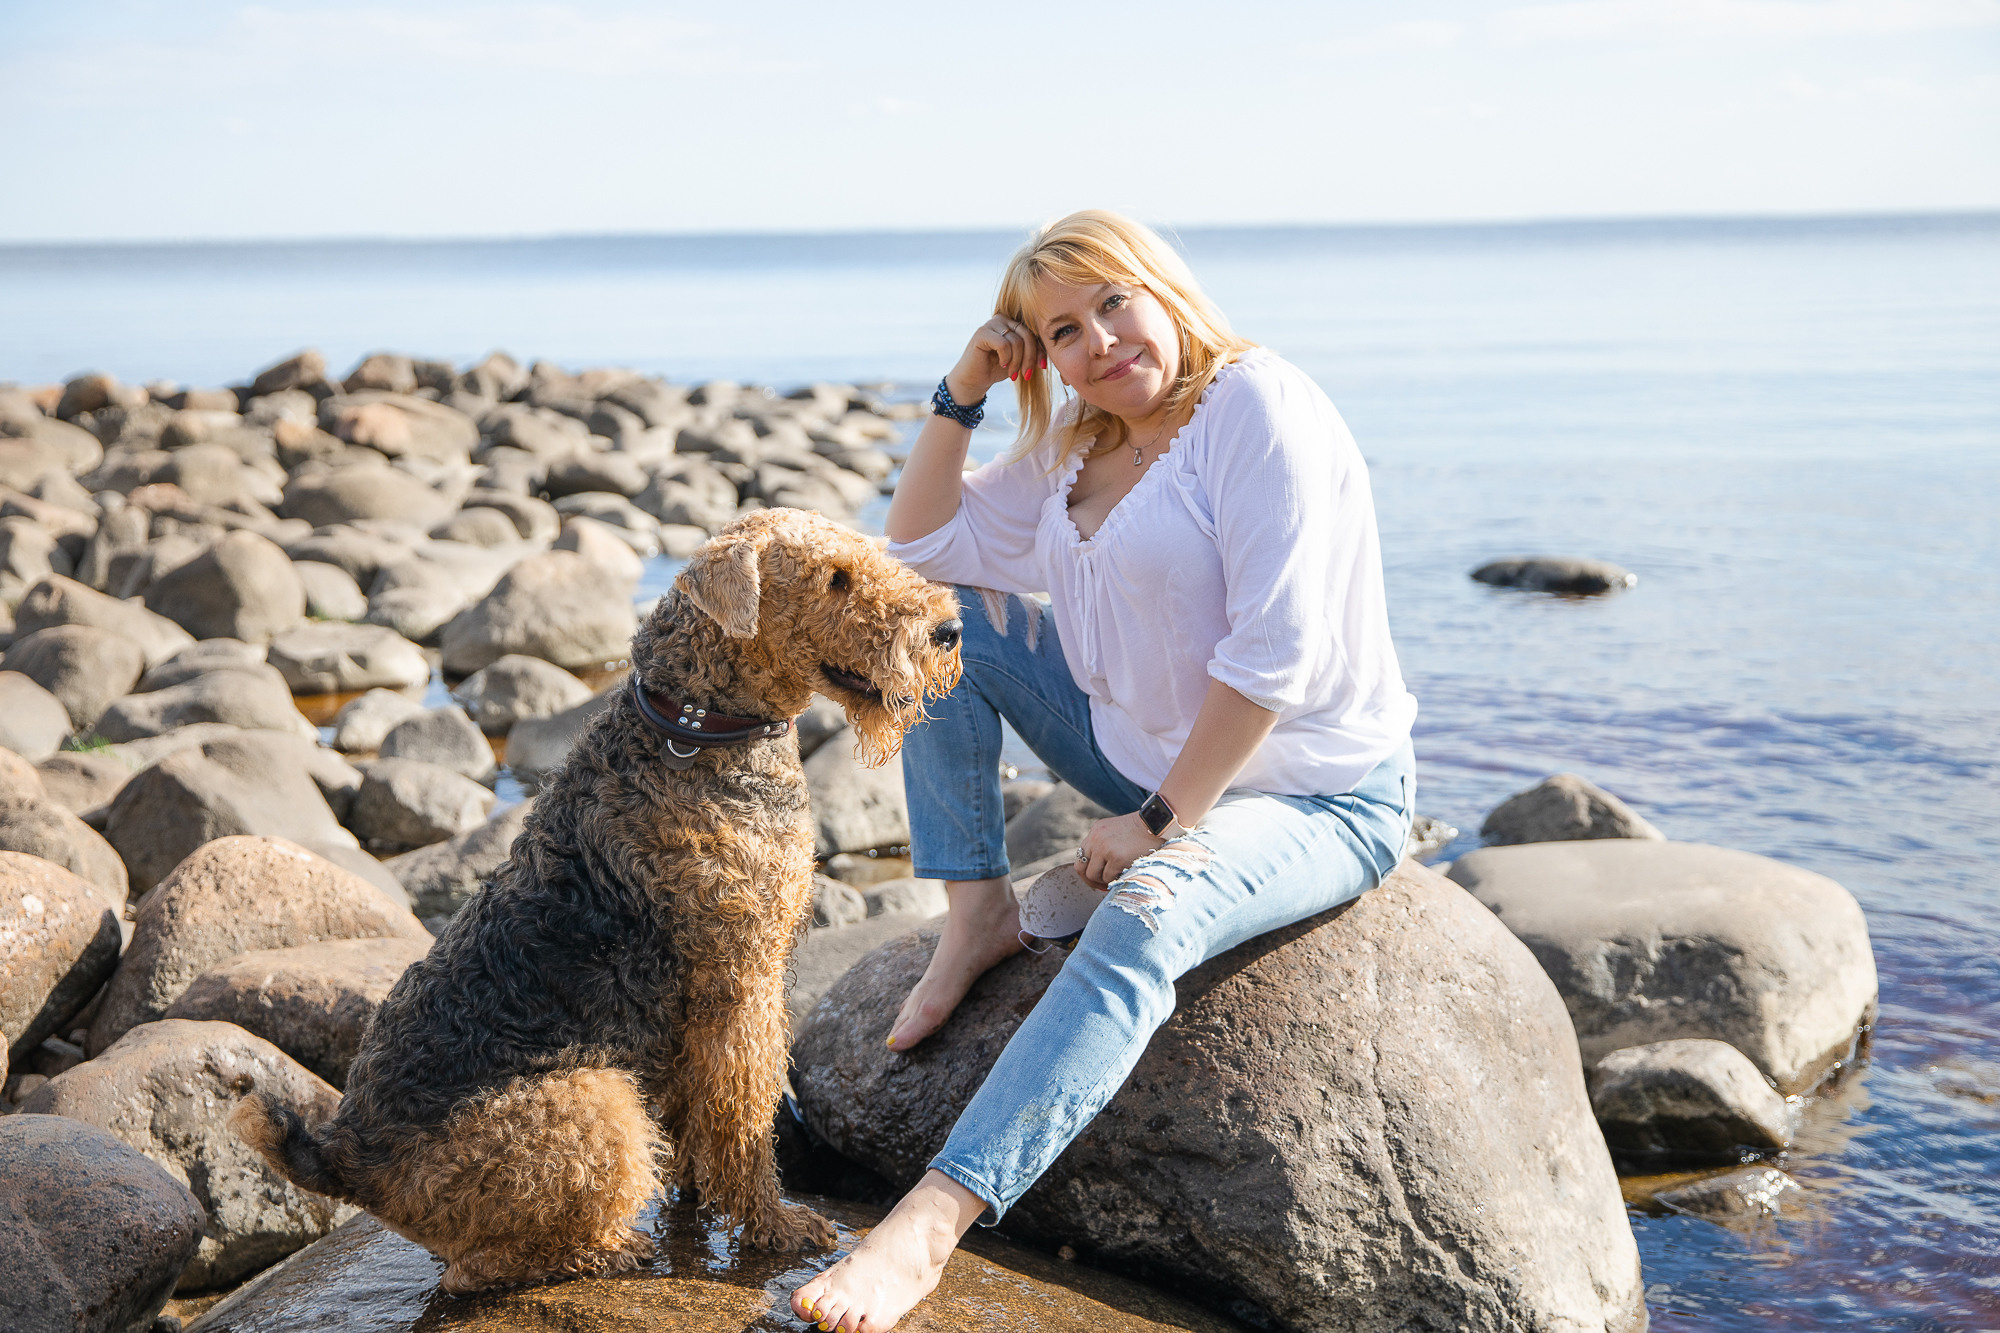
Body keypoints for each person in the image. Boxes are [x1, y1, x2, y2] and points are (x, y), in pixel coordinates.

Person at [790, 210, 1417, 1333]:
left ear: (1162, 287)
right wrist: (963, 386)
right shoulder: (1078, 445)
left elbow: (1274, 656)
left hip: (1315, 791)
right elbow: (921, 549)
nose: (1101, 342)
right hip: (1136, 760)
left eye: (1113, 302)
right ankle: (975, 915)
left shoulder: (1255, 407)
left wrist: (1161, 820)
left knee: (1141, 916)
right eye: (1062, 330)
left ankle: (926, 1224)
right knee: (935, 628)